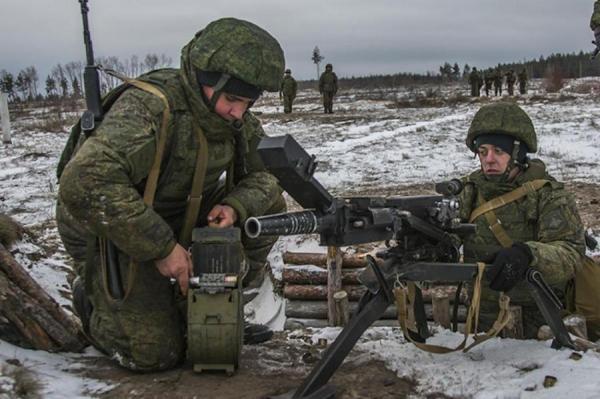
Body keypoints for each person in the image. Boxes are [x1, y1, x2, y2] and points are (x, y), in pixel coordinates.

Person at [56, 18, 287, 371]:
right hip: (112, 224)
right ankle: (91, 298)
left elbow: (268, 174)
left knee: (268, 207)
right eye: (232, 99)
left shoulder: (230, 119)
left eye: (247, 102)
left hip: (180, 214)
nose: (238, 112)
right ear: (205, 81)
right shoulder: (149, 110)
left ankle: (220, 299)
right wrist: (162, 248)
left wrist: (235, 206)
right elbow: (84, 182)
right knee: (154, 355)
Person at [458, 102, 586, 339]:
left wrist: (528, 254)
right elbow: (446, 235)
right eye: (483, 151)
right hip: (480, 322)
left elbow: (571, 255)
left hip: (538, 327)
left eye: (498, 151)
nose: (489, 160)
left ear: (518, 154)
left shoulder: (548, 195)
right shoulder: (469, 191)